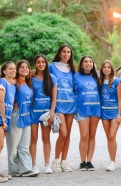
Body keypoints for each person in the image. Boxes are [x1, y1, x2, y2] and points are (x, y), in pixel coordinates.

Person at [6, 60, 38, 177]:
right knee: (13, 145)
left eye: (27, 67)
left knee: (24, 145)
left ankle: (25, 169)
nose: (25, 69)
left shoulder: (28, 82)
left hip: (27, 116)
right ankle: (14, 171)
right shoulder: (14, 82)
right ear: (17, 69)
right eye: (22, 67)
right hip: (16, 115)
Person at [49, 44, 77, 172]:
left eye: (69, 52)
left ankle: (64, 162)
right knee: (63, 133)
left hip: (71, 104)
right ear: (59, 53)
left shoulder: (72, 69)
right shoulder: (52, 66)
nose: (66, 54)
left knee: (68, 134)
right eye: (64, 52)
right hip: (58, 105)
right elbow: (43, 78)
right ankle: (55, 161)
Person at [30, 54, 58, 174]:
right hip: (33, 112)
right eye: (38, 62)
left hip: (46, 113)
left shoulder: (52, 78)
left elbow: (54, 99)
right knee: (34, 138)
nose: (41, 64)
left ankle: (47, 165)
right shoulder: (31, 78)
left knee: (46, 138)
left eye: (43, 62)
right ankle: (34, 165)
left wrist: (52, 113)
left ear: (46, 64)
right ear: (35, 64)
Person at [73, 56, 101, 171]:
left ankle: (89, 161)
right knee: (84, 135)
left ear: (93, 64)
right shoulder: (76, 76)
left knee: (92, 135)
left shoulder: (97, 76)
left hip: (95, 108)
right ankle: (82, 161)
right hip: (82, 108)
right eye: (85, 61)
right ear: (82, 64)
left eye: (90, 61)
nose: (88, 63)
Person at [99, 60, 121, 171]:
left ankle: (113, 162)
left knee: (112, 136)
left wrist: (119, 113)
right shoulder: (99, 81)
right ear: (102, 69)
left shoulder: (116, 81)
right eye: (104, 67)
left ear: (112, 69)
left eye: (109, 67)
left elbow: (120, 98)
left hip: (114, 112)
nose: (106, 69)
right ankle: (111, 160)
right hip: (104, 112)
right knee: (109, 137)